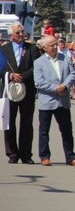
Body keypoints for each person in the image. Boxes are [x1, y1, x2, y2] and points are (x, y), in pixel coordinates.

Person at [33, 35, 75, 166]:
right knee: (44, 131)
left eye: (55, 44)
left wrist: (64, 86)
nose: (55, 47)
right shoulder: (38, 62)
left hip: (63, 100)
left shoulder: (65, 58)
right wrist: (56, 88)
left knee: (66, 130)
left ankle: (70, 157)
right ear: (44, 47)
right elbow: (39, 82)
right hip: (47, 101)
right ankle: (44, 156)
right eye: (51, 45)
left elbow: (72, 74)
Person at [1, 22, 41, 164]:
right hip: (9, 89)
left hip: (27, 89)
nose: (21, 35)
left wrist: (22, 76)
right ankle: (12, 153)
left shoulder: (32, 48)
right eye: (17, 33)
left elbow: (36, 67)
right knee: (9, 122)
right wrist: (10, 76)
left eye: (22, 32)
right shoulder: (3, 49)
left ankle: (26, 154)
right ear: (11, 35)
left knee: (26, 122)